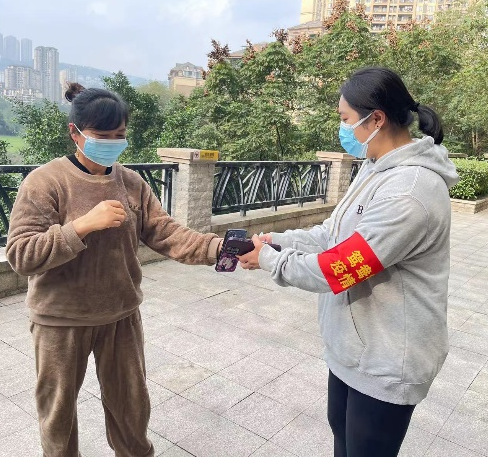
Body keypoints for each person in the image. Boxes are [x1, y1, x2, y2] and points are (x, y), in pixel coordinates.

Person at [238, 67, 459, 457]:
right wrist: (279, 240)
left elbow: (339, 267)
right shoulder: (374, 167)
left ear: (376, 119)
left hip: (387, 358)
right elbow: (333, 234)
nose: (343, 129)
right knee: (342, 438)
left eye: (345, 119)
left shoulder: (410, 192)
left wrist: (271, 261)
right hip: (354, 349)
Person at [6, 83, 222, 457]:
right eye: (102, 136)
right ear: (75, 133)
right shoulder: (45, 182)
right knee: (57, 415)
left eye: (119, 135)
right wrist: (81, 226)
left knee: (131, 409)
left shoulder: (131, 182)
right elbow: (21, 254)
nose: (112, 143)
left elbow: (167, 233)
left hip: (120, 315)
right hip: (60, 320)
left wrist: (219, 248)